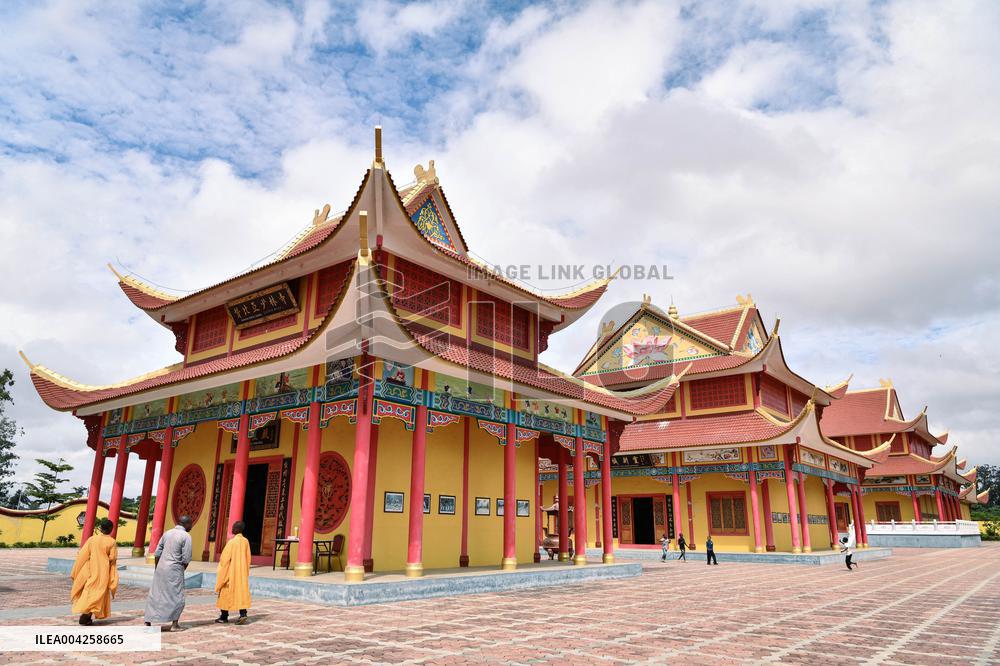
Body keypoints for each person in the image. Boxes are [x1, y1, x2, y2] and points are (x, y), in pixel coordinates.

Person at [144, 515, 193, 631]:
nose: (191, 526)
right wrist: (180, 570)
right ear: (186, 524)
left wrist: (158, 568)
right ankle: (174, 624)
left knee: (155, 594)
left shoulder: (167, 533)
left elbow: (157, 552)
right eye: (190, 524)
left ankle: (147, 621)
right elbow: (186, 558)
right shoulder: (186, 536)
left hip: (161, 567)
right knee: (176, 596)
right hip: (175, 568)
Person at [70, 518, 119, 626]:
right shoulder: (111, 542)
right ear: (111, 529)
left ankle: (86, 614)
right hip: (103, 572)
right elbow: (112, 558)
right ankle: (86, 614)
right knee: (99, 594)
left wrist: (76, 570)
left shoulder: (92, 539)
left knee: (89, 591)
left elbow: (82, 555)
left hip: (91, 570)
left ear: (100, 528)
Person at [215, 521, 252, 625]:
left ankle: (224, 616)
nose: (232, 529)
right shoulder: (246, 541)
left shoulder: (232, 542)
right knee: (241, 593)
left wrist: (221, 570)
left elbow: (224, 559)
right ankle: (243, 614)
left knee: (225, 593)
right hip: (241, 573)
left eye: (234, 527)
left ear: (237, 529)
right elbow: (248, 558)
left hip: (231, 573)